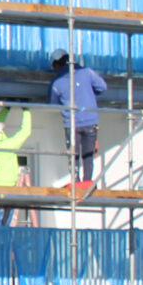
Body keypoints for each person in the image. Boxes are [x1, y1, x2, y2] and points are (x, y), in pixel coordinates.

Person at [48, 51, 108, 189]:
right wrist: (90, 93)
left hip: (71, 123)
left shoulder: (57, 82)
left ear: (57, 64)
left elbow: (52, 104)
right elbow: (102, 87)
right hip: (90, 119)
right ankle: (87, 182)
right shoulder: (87, 73)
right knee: (88, 155)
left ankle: (76, 181)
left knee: (73, 155)